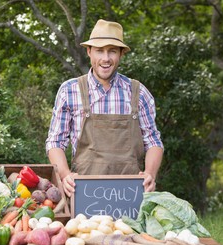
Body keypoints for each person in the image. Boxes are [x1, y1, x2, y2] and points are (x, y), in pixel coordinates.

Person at [45, 19, 164, 197]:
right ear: (89, 52)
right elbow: (55, 142)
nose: (106, 58)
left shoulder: (139, 93)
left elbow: (153, 141)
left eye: (112, 51)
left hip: (130, 194)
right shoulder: (69, 91)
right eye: (99, 51)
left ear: (121, 54)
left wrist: (150, 174)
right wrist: (65, 175)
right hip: (84, 193)